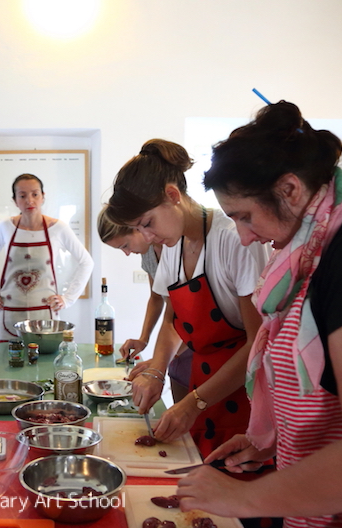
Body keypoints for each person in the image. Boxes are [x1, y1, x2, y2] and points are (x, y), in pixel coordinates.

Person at [176, 101, 342, 528]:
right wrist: (280, 441)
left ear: (290, 189)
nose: (243, 238)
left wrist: (244, 497)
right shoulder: (325, 240)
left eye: (245, 216)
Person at [106, 139, 269, 460]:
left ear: (172, 195)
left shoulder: (233, 240)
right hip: (200, 381)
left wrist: (194, 403)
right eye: (139, 228)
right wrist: (156, 368)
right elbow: (173, 320)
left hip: (242, 392)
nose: (148, 237)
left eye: (148, 223)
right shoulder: (172, 247)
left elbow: (257, 343)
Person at [96, 205, 194, 397]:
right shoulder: (148, 254)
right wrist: (144, 339)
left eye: (124, 245)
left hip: (195, 338)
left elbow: (187, 314)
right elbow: (157, 298)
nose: (126, 253)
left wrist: (159, 361)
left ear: (137, 227)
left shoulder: (176, 247)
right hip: (177, 337)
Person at [0, 173, 93, 342]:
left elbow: (86, 262)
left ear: (43, 197)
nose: (29, 200)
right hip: (10, 311)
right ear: (15, 200)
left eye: (35, 194)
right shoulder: (6, 227)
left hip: (45, 313)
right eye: (22, 195)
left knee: (45, 364)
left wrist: (67, 298)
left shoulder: (58, 228)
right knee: (6, 363)